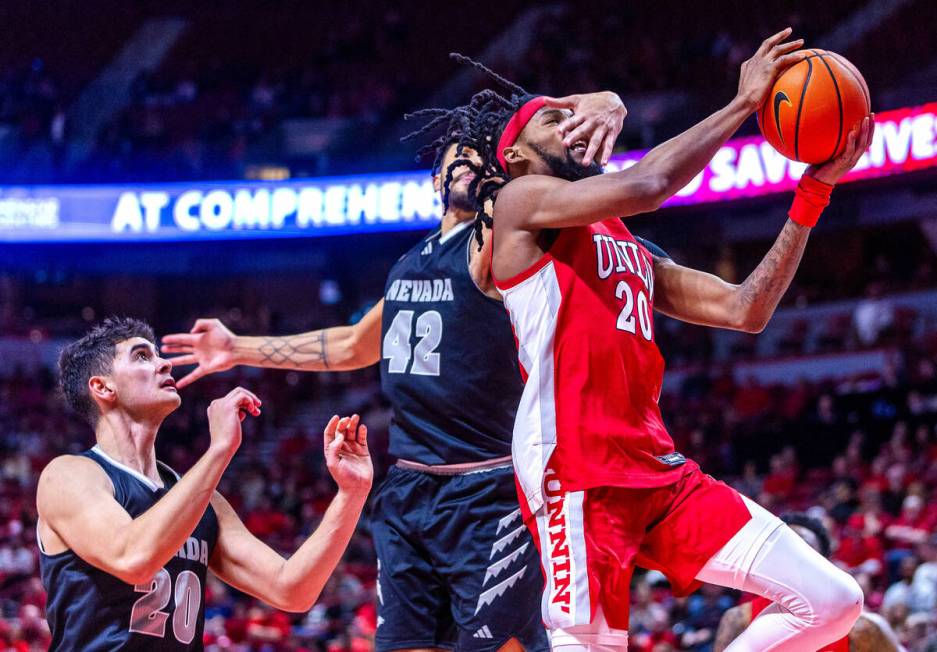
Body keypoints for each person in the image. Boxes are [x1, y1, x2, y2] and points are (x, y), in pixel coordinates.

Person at [417, 28, 874, 650]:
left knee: (832, 601)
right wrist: (743, 105)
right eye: (553, 121)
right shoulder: (519, 204)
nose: (572, 125)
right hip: (574, 465)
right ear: (516, 154)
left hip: (655, 466)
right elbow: (649, 185)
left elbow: (745, 309)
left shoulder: (626, 242)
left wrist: (814, 190)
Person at [160, 90, 623, 652]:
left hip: (488, 489)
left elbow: (571, 187)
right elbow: (353, 343)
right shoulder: (409, 263)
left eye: (483, 159)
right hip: (408, 490)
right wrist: (239, 348)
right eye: (459, 156)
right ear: (434, 180)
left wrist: (604, 102)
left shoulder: (497, 241)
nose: (469, 164)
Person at [37, 317, 372, 650]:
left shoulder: (202, 500)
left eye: (158, 354)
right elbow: (133, 559)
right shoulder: (68, 475)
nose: (164, 363)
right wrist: (220, 448)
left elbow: (292, 590)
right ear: (103, 387)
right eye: (142, 356)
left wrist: (351, 494)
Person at [714, 512, 905, 652]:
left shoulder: (862, 629)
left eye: (804, 551)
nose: (791, 558)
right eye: (784, 551)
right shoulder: (739, 618)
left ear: (821, 564)